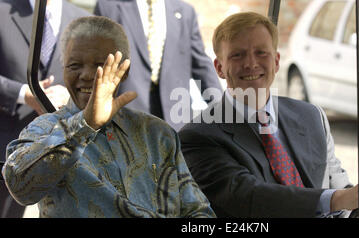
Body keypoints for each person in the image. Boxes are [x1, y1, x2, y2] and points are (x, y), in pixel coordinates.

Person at [178, 12, 359, 218]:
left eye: (261, 53)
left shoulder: (311, 116)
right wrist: (339, 199)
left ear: (275, 61)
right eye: (238, 55)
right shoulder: (198, 136)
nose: (251, 63)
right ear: (219, 68)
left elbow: (340, 188)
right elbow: (248, 197)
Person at [1, 16, 215, 218]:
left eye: (100, 65)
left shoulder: (156, 133)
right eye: (74, 65)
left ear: (125, 70)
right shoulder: (44, 128)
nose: (86, 75)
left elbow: (197, 209)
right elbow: (20, 187)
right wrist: (85, 125)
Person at [0, 0, 90, 218]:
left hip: (63, 149)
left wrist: (71, 96)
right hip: (6, 146)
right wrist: (24, 94)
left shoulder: (83, 18)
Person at [94, 0, 223, 131]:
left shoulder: (185, 12)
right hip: (126, 118)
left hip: (176, 118)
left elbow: (201, 65)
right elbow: (96, 60)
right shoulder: (108, 6)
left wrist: (222, 111)